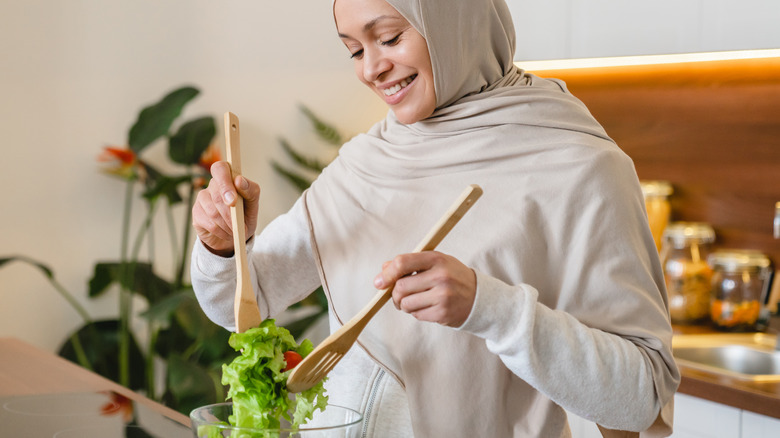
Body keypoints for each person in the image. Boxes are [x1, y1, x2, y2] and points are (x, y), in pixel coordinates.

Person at [190, 0, 680, 436]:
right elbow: (237, 307)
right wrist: (223, 243)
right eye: (355, 50)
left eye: (389, 38)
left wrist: (490, 309)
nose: (371, 70)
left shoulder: (579, 166)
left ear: (454, 19)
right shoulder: (367, 161)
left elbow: (639, 398)